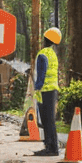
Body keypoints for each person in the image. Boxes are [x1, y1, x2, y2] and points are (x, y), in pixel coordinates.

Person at [30, 27, 64, 156]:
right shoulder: (53, 54)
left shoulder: (43, 53)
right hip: (52, 89)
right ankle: (51, 146)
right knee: (50, 120)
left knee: (46, 120)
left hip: (45, 91)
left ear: (45, 39)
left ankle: (51, 148)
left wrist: (36, 88)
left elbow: (41, 74)